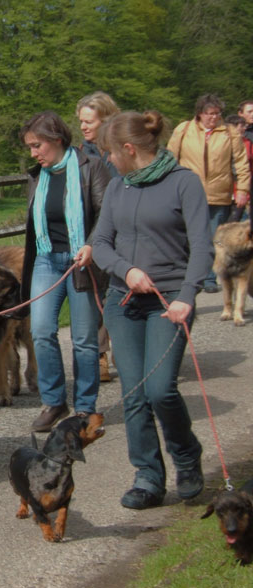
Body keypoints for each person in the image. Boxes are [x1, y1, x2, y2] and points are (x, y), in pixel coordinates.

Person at [92, 111, 214, 509]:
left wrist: (187, 295)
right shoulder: (117, 188)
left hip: (169, 302)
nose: (108, 160)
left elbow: (202, 247)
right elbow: (102, 243)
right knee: (135, 394)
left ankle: (186, 456)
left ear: (128, 149)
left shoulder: (184, 183)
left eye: (111, 153)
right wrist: (126, 271)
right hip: (123, 301)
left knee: (161, 389)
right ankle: (147, 475)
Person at [19, 111, 111, 433]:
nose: (33, 153)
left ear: (56, 140)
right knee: (42, 330)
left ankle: (85, 407)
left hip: (81, 261)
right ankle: (54, 401)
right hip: (46, 260)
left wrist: (91, 246)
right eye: (30, 147)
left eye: (37, 145)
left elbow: (106, 215)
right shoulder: (36, 176)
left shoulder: (92, 168)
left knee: (84, 339)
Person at [167, 94, 250, 293]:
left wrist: (243, 190)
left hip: (219, 193)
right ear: (200, 113)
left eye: (217, 113)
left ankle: (210, 278)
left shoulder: (229, 133)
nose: (213, 117)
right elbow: (170, 158)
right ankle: (187, 276)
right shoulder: (184, 130)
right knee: (188, 237)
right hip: (187, 192)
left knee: (214, 238)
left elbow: (241, 163)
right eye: (209, 114)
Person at [76, 91, 121, 382]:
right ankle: (102, 356)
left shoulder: (121, 151)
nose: (83, 126)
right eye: (80, 121)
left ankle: (126, 345)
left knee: (120, 291)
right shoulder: (80, 155)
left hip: (125, 230)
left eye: (88, 121)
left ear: (106, 120)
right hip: (96, 231)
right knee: (97, 293)